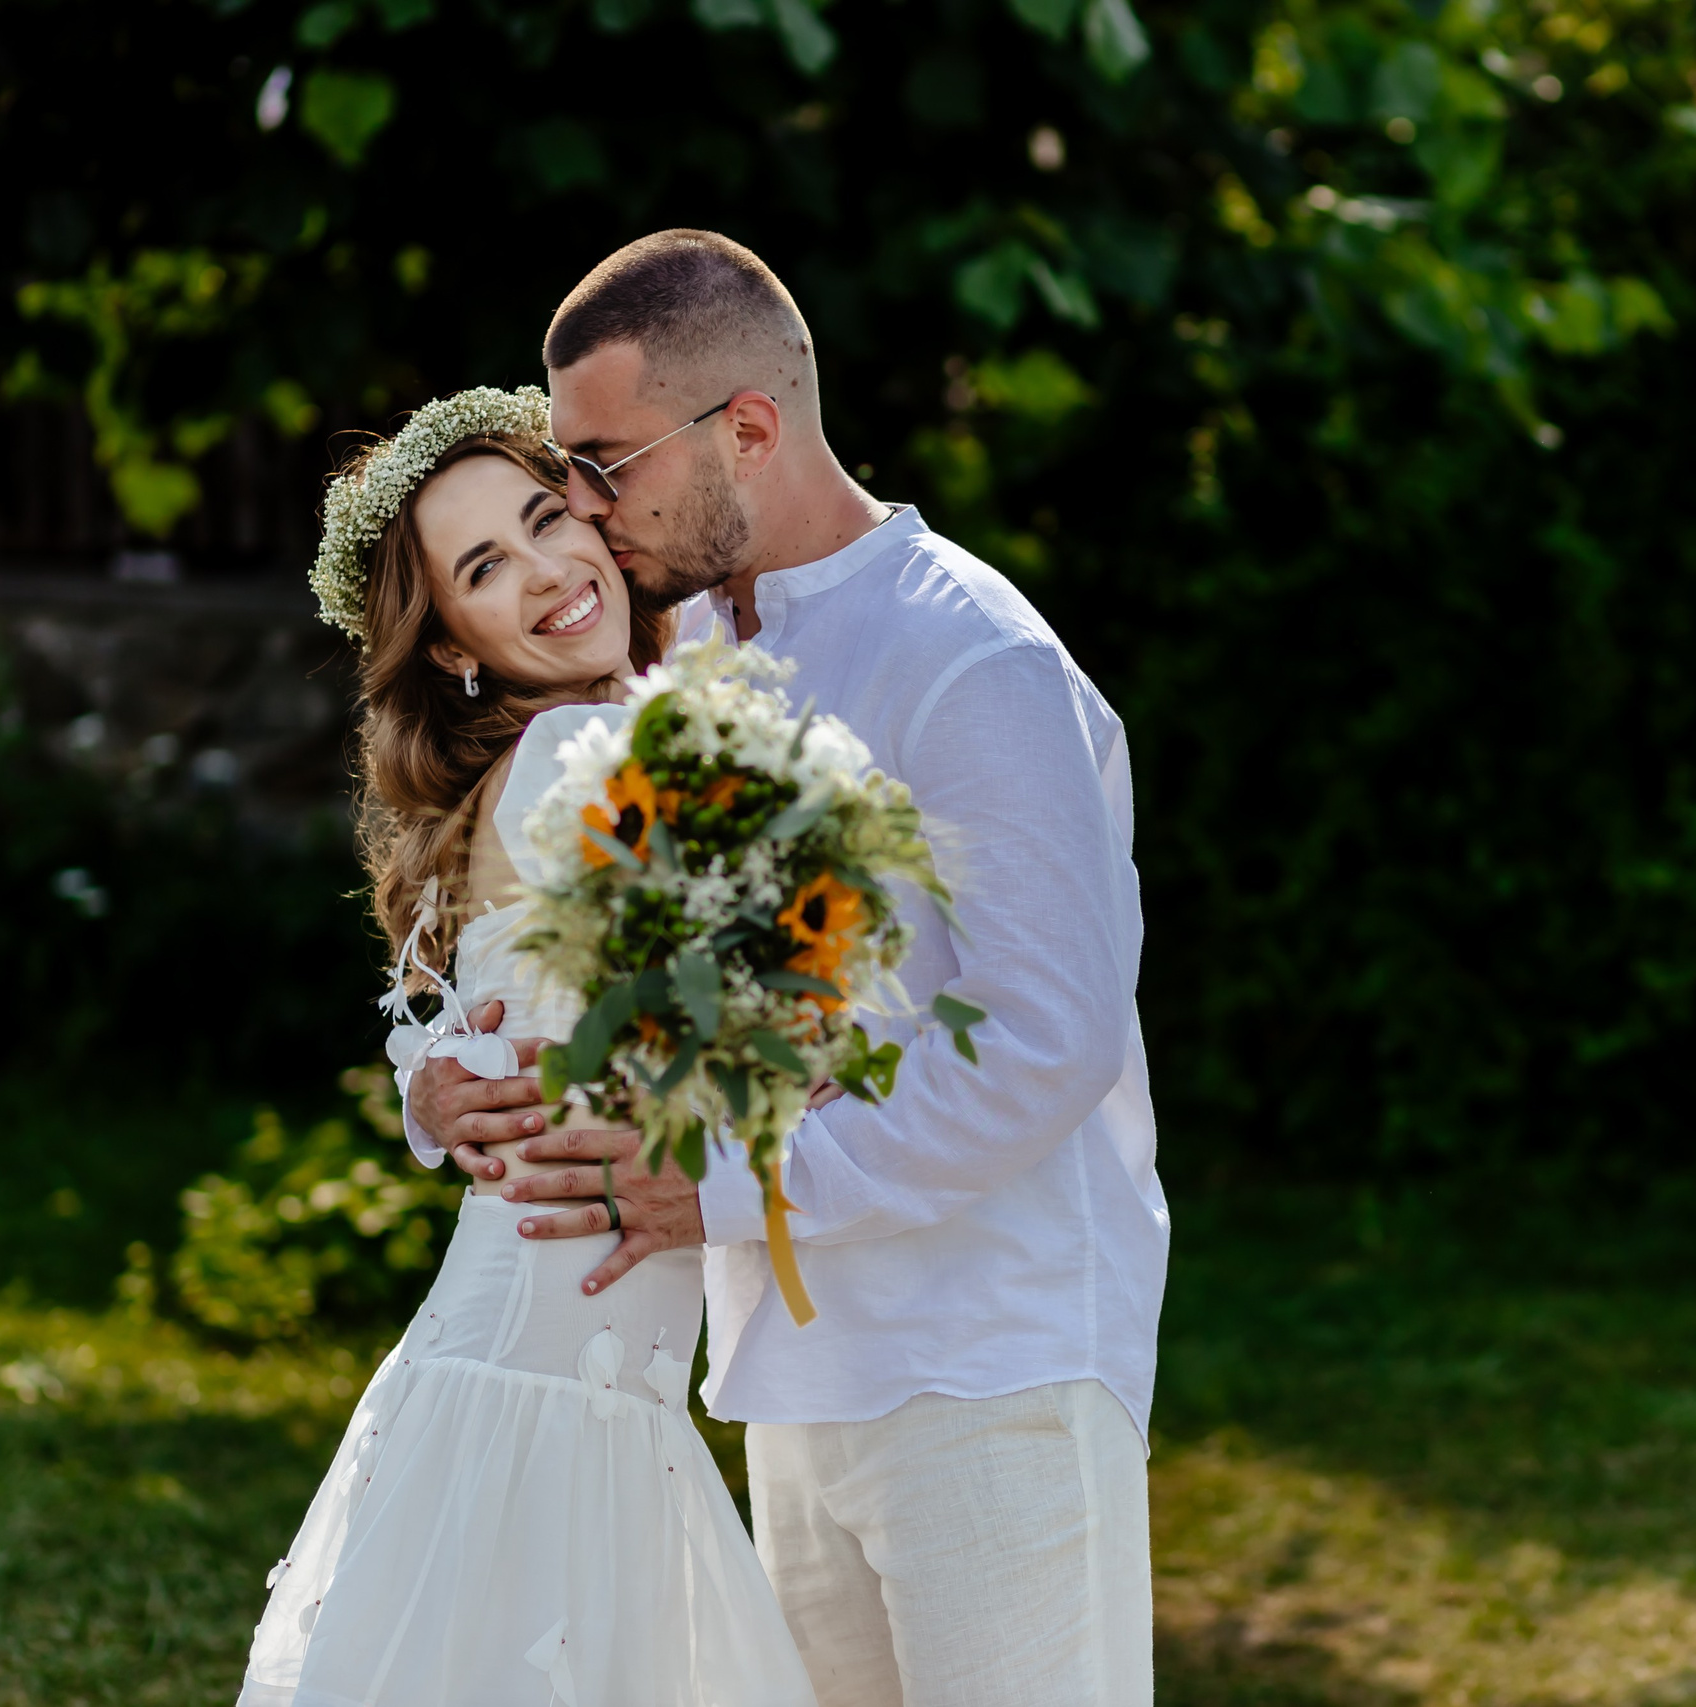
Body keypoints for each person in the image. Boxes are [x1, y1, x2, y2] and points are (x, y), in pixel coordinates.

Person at [404, 230, 1170, 1706]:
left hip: (990, 1367)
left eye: (605, 463)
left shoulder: (973, 661)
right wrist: (448, 1084)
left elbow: (1051, 1040)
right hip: (787, 1380)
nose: (580, 505)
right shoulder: (675, 659)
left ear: (745, 428)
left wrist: (736, 1189)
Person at [239, 385, 816, 1707]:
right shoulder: (586, 751)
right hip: (551, 1408)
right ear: (452, 648)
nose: (551, 569)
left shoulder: (567, 754)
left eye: (550, 519)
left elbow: (447, 1038)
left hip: (536, 1379)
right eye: (487, 567)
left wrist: (434, 1099)